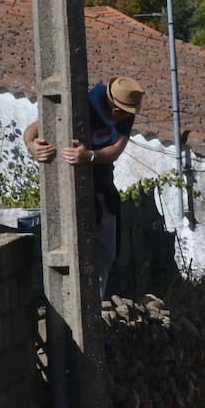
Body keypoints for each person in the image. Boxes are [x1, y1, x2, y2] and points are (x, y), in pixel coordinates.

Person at [26, 77, 143, 297]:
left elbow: (115, 150)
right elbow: (33, 129)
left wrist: (90, 156)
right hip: (70, 194)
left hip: (103, 192)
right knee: (75, 257)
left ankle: (95, 304)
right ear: (116, 109)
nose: (130, 116)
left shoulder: (125, 115)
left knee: (103, 258)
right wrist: (31, 146)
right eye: (126, 112)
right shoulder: (83, 105)